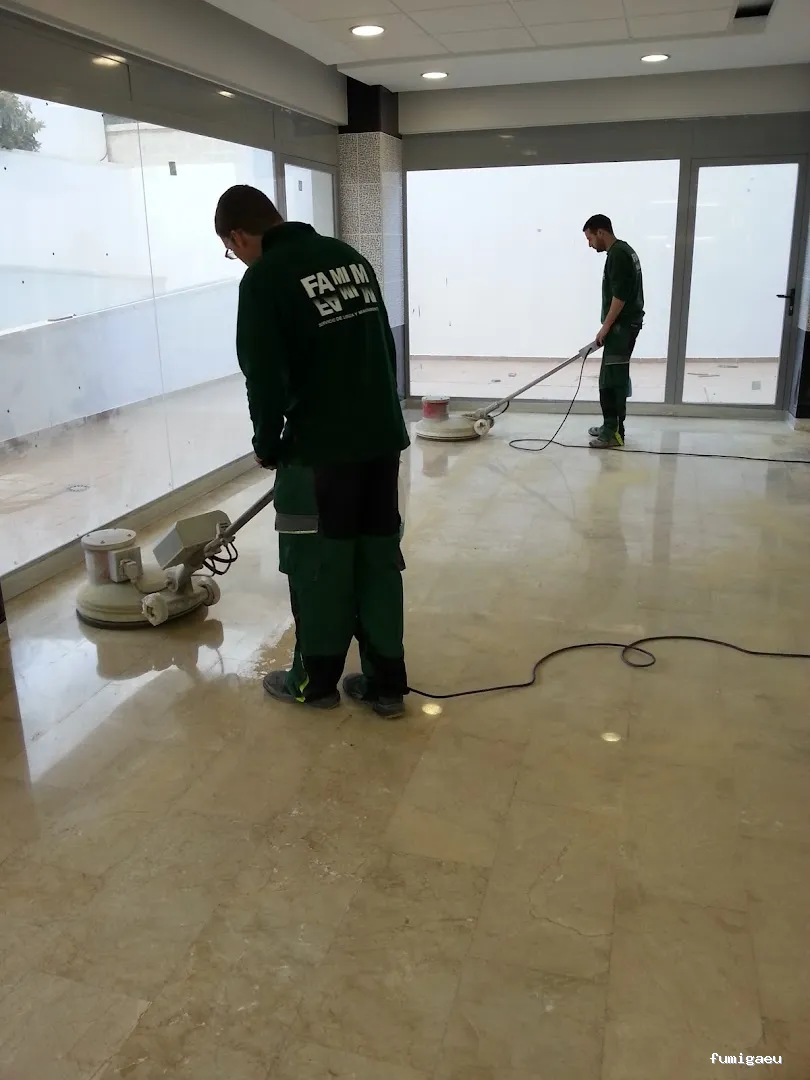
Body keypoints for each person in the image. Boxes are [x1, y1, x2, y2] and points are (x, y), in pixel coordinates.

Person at [214, 184, 410, 718]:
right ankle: (386, 684)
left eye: (230, 250)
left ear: (238, 237)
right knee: (376, 559)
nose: (237, 258)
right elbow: (383, 345)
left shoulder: (264, 278)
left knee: (318, 566)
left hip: (321, 451)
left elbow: (262, 374)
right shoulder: (349, 257)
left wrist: (266, 444)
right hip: (380, 442)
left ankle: (314, 682)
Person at [582, 214, 645, 449]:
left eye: (590, 238)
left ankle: (614, 433)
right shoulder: (622, 251)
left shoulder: (618, 255)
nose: (590, 245)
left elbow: (620, 296)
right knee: (610, 377)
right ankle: (610, 425)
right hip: (623, 326)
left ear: (601, 232)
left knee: (613, 382)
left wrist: (605, 327)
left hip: (621, 327)